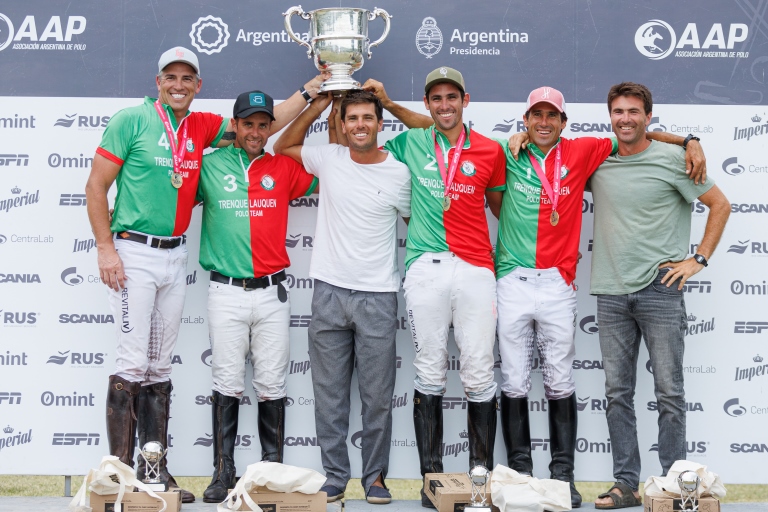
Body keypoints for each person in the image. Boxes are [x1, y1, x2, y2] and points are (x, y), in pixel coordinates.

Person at [84, 45, 326, 502]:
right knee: (132, 361)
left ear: (198, 86)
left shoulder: (203, 126)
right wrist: (105, 247)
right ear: (158, 83)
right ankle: (119, 474)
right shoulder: (130, 120)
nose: (178, 85)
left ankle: (154, 470)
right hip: (134, 250)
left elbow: (267, 119)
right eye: (169, 77)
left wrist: (315, 88)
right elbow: (96, 185)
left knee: (158, 364)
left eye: (187, 78)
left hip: (175, 256)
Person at [364, 68, 506, 508]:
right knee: (429, 369)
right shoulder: (409, 143)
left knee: (480, 371)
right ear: (427, 105)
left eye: (452, 97)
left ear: (466, 99)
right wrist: (383, 105)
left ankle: (479, 480)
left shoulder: (491, 149)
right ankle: (433, 481)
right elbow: (360, 148)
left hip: (477, 268)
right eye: (436, 99)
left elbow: (502, 211)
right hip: (426, 266)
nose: (445, 105)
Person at [589, 82, 729, 509]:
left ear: (649, 116)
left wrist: (698, 260)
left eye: (634, 111)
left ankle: (674, 484)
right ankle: (626, 485)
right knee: (617, 393)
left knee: (669, 391)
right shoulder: (599, 159)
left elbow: (720, 205)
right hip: (610, 291)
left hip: (660, 289)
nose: (626, 119)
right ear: (609, 116)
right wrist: (688, 137)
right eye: (618, 112)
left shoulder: (673, 159)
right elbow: (550, 147)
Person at [273, 90, 411, 505]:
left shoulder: (400, 173)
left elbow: (412, 220)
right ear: (344, 123)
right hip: (328, 292)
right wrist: (316, 106)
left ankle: (374, 478)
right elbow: (284, 146)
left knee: (377, 398)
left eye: (368, 118)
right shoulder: (329, 158)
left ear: (379, 124)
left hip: (378, 296)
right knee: (329, 396)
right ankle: (335, 475)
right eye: (352, 118)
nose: (360, 125)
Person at [197, 90, 318, 503]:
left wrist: (321, 107)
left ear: (271, 128)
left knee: (271, 383)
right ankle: (222, 471)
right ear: (235, 127)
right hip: (225, 290)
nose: (254, 131)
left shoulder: (284, 166)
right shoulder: (208, 165)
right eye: (247, 123)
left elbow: (336, 167)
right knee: (227, 382)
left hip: (272, 293)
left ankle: (271, 469)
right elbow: (171, 193)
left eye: (262, 124)